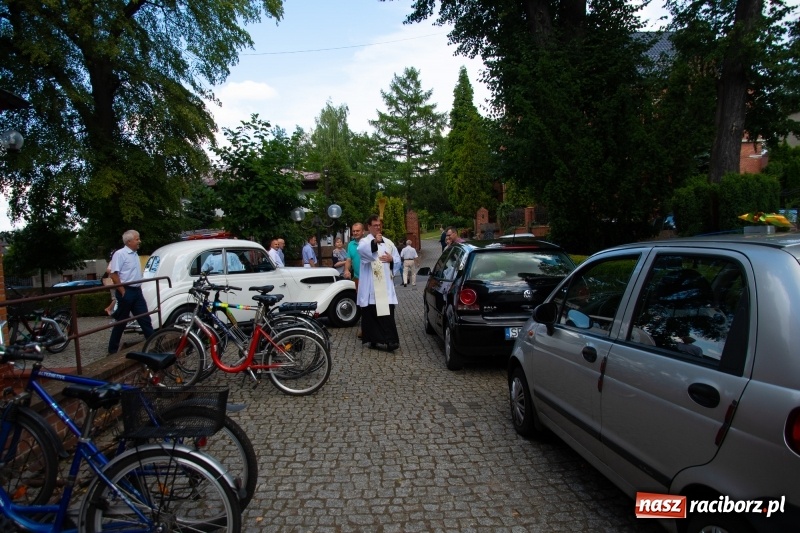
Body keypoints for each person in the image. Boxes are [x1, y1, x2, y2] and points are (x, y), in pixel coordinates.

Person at [357, 215, 401, 351]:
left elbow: (398, 260)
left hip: (385, 286)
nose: (377, 227)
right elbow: (364, 253)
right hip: (371, 287)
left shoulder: (388, 242)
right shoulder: (364, 241)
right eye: (374, 225)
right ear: (368, 227)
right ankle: (372, 340)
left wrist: (391, 259)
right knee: (371, 315)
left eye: (379, 225)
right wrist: (375, 243)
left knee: (386, 315)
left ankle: (391, 341)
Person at [107, 229, 154, 355]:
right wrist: (123, 291)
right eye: (137, 239)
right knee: (121, 322)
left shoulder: (134, 254)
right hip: (127, 291)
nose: (139, 241)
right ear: (129, 241)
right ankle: (112, 351)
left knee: (144, 318)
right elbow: (113, 274)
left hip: (137, 291)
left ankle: (154, 343)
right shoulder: (120, 254)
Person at [344, 222, 365, 339]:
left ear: (363, 231)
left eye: (358, 231)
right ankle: (364, 327)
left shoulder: (367, 243)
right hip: (357, 278)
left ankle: (370, 327)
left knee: (370, 304)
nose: (355, 233)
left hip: (369, 278)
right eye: (354, 231)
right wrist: (347, 270)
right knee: (361, 304)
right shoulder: (351, 245)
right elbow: (348, 259)